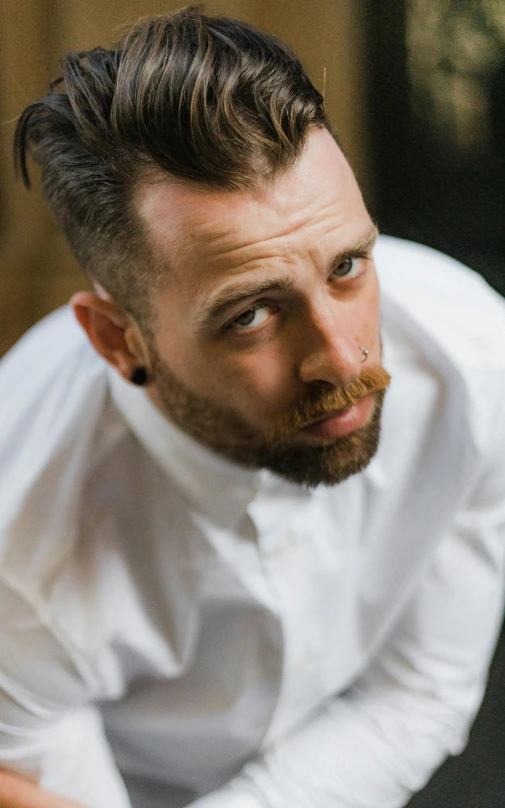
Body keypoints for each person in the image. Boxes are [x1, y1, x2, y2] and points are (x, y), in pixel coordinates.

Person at [0, 7, 504, 808]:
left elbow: (417, 694)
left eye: (346, 266)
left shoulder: (471, 361)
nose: (345, 358)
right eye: (249, 314)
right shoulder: (17, 535)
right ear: (117, 341)